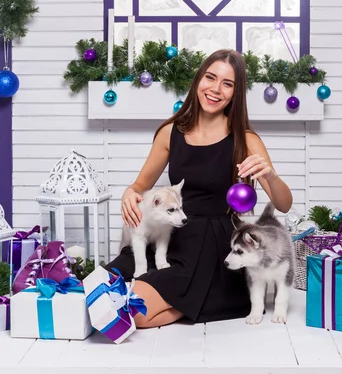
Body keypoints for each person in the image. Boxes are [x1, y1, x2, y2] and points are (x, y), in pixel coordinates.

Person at [106, 49, 293, 328]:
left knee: (136, 313)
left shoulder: (246, 140)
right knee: (102, 288)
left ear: (235, 93)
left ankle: (197, 300)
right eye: (210, 77)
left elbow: (284, 203)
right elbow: (139, 185)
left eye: (227, 84)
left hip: (212, 246)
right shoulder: (170, 132)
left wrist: (271, 176)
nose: (215, 89)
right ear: (198, 80)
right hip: (172, 236)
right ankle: (199, 302)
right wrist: (128, 193)